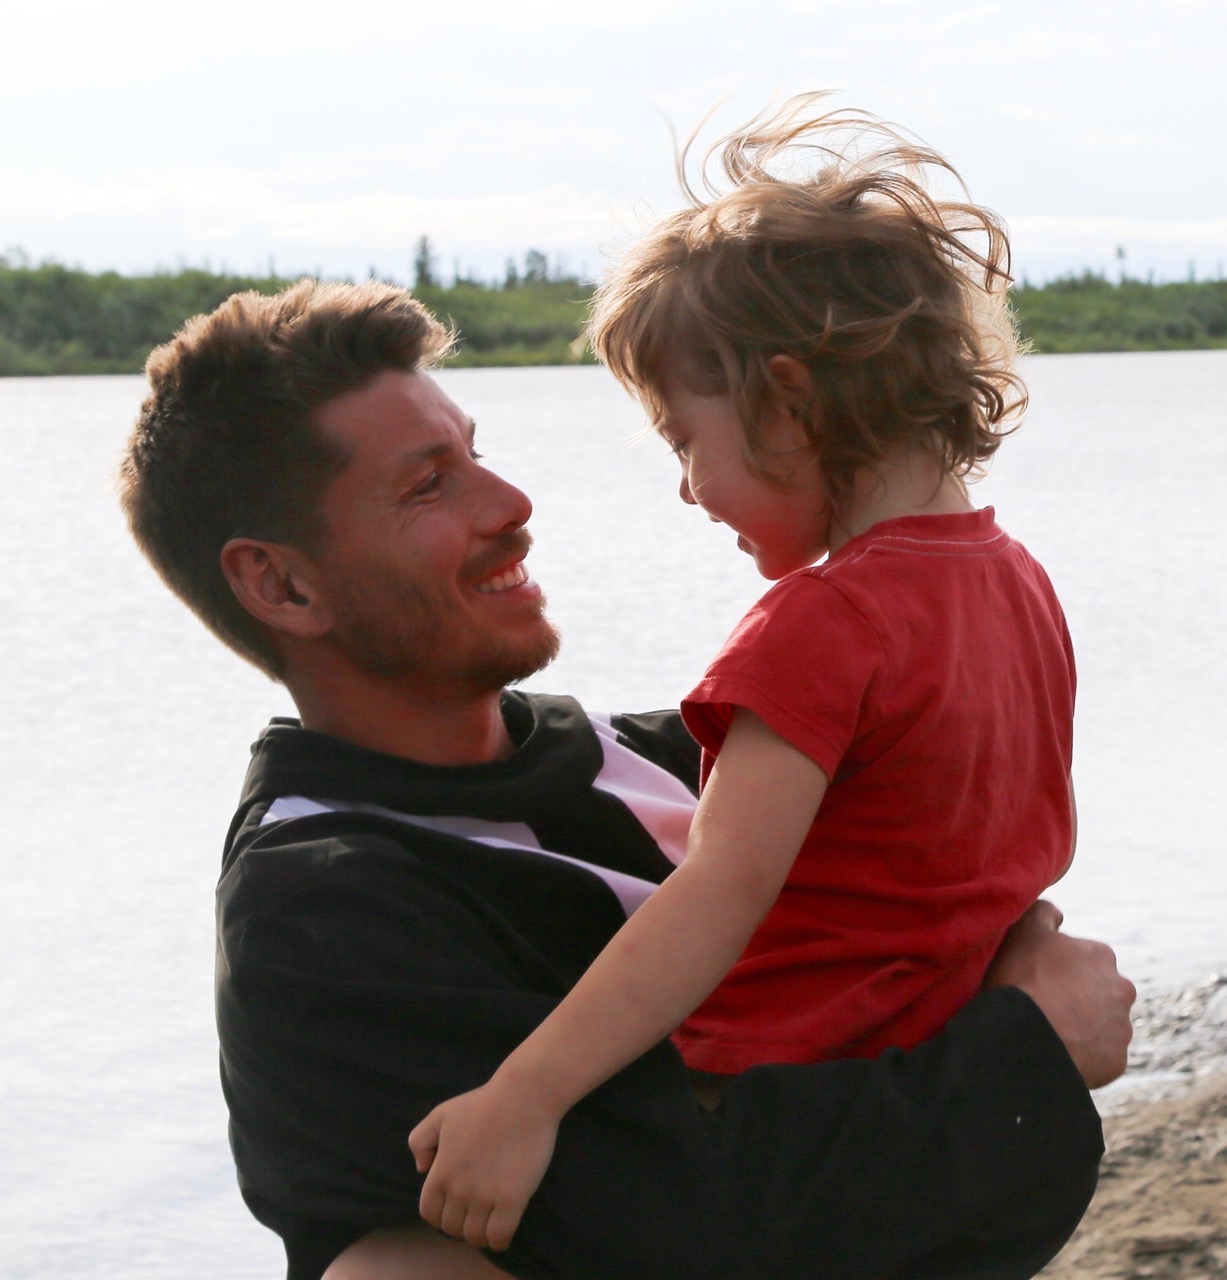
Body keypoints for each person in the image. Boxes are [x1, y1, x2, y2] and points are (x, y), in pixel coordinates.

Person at [119, 275, 1134, 1280]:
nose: (513, 504)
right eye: (430, 483)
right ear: (283, 583)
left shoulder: (659, 754)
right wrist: (1029, 1056)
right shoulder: (316, 918)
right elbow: (685, 1223)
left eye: (477, 453)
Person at [405, 94, 1084, 1255]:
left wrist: (526, 1095)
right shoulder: (1016, 583)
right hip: (972, 1124)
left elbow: (714, 898)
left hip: (794, 1129)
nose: (686, 486)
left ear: (790, 397)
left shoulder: (822, 623)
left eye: (684, 438)